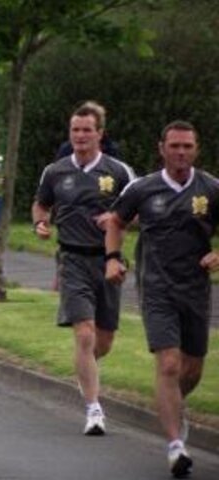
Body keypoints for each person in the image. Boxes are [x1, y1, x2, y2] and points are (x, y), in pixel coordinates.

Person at [105, 121, 218, 478]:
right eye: (175, 146)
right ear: (162, 148)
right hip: (156, 288)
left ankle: (173, 406)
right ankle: (175, 447)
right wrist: (112, 258)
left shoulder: (212, 188)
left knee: (192, 368)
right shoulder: (143, 188)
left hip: (196, 289)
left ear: (196, 149)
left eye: (187, 146)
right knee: (168, 364)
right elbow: (116, 222)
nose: (181, 152)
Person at [31, 105, 135, 436]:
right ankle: (94, 410)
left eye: (86, 130)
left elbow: (139, 213)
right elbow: (40, 203)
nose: (79, 136)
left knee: (102, 341)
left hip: (108, 261)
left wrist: (118, 220)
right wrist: (39, 223)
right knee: (85, 333)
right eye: (75, 130)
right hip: (72, 260)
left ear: (99, 133)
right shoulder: (56, 171)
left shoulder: (119, 172)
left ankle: (85, 368)